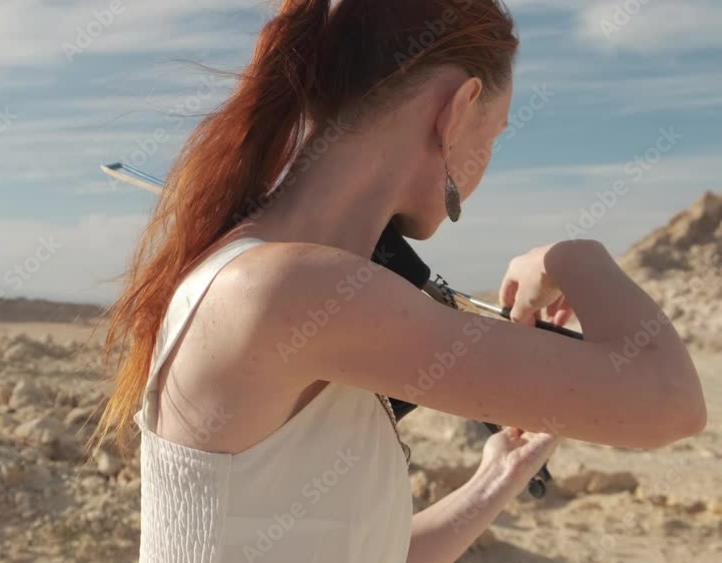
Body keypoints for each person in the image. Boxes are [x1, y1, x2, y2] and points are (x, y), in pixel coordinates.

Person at [93, 1, 708, 561]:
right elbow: (670, 402)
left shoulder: (266, 276)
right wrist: (573, 256)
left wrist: (498, 476)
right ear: (456, 111)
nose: (486, 165)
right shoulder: (287, 289)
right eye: (494, 136)